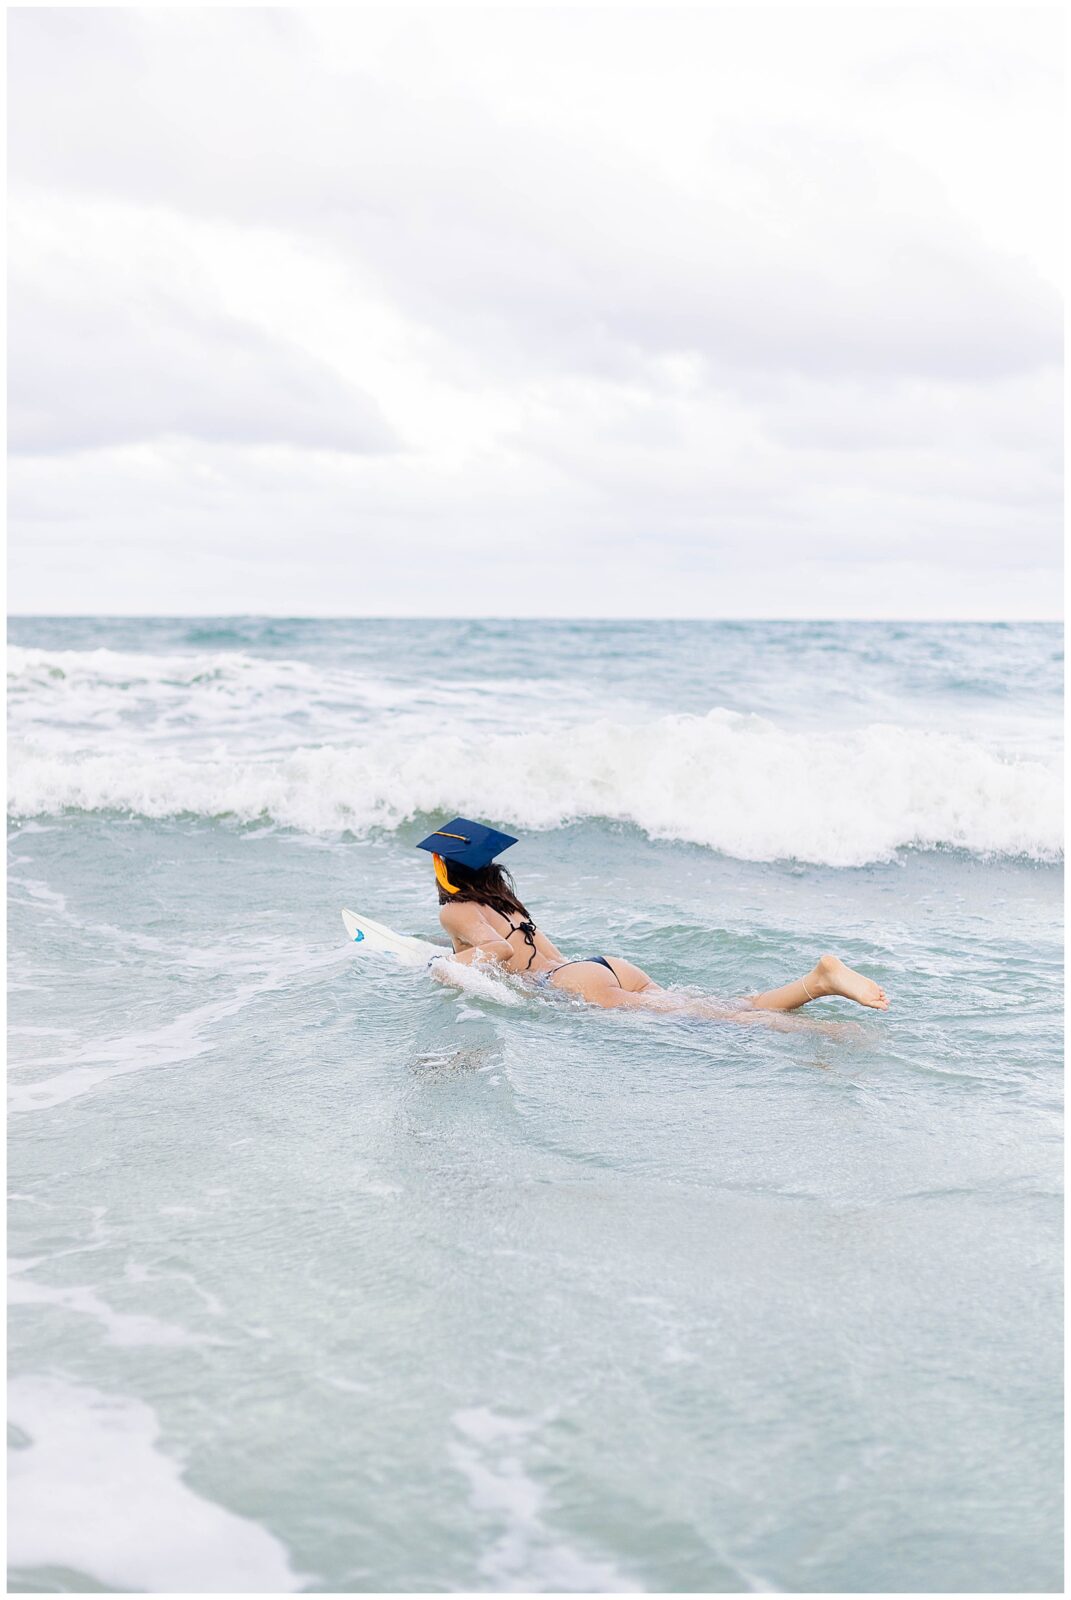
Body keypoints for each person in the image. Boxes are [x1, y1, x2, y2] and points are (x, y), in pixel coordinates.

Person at [416, 818, 889, 1021]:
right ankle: (817, 982)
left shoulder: (454, 909)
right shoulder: (503, 899)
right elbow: (516, 945)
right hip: (602, 966)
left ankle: (826, 1023)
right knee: (720, 1007)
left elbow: (497, 951)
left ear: (443, 866)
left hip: (567, 984)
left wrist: (444, 966)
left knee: (714, 1022)